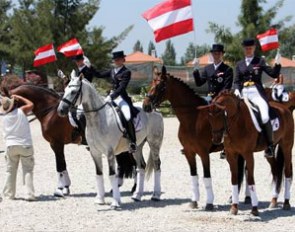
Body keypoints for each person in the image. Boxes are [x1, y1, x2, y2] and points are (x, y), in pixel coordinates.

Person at [234, 38, 281, 158]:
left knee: (265, 116)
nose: (248, 50)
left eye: (250, 48)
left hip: (256, 93)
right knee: (229, 113)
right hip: (243, 92)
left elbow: (274, 74)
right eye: (246, 48)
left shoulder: (260, 61)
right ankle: (228, 145)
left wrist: (277, 64)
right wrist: (237, 90)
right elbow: (237, 81)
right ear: (244, 49)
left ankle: (270, 145)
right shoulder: (239, 64)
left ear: (254, 48)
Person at [193, 44, 233, 159]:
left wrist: (219, 99)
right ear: (212, 54)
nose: (217, 55)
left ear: (222, 54)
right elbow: (199, 83)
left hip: (221, 99)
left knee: (226, 116)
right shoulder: (208, 69)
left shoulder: (227, 69)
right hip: (209, 97)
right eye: (215, 53)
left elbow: (227, 87)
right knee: (198, 112)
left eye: (219, 53)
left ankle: (226, 145)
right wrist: (196, 70)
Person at [94, 51, 139, 153]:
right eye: (115, 60)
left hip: (121, 98)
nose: (116, 61)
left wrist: (112, 96)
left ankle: (132, 142)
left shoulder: (126, 72)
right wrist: (88, 66)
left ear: (123, 60)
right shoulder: (112, 71)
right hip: (111, 97)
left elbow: (122, 87)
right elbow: (98, 74)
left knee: (127, 115)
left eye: (118, 59)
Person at [1, 94, 36, 201]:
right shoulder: (22, 111)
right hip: (25, 144)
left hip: (10, 145)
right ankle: (29, 194)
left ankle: (9, 195)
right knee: (27, 170)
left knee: (10, 171)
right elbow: (31, 104)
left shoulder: (4, 117)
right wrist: (19, 97)